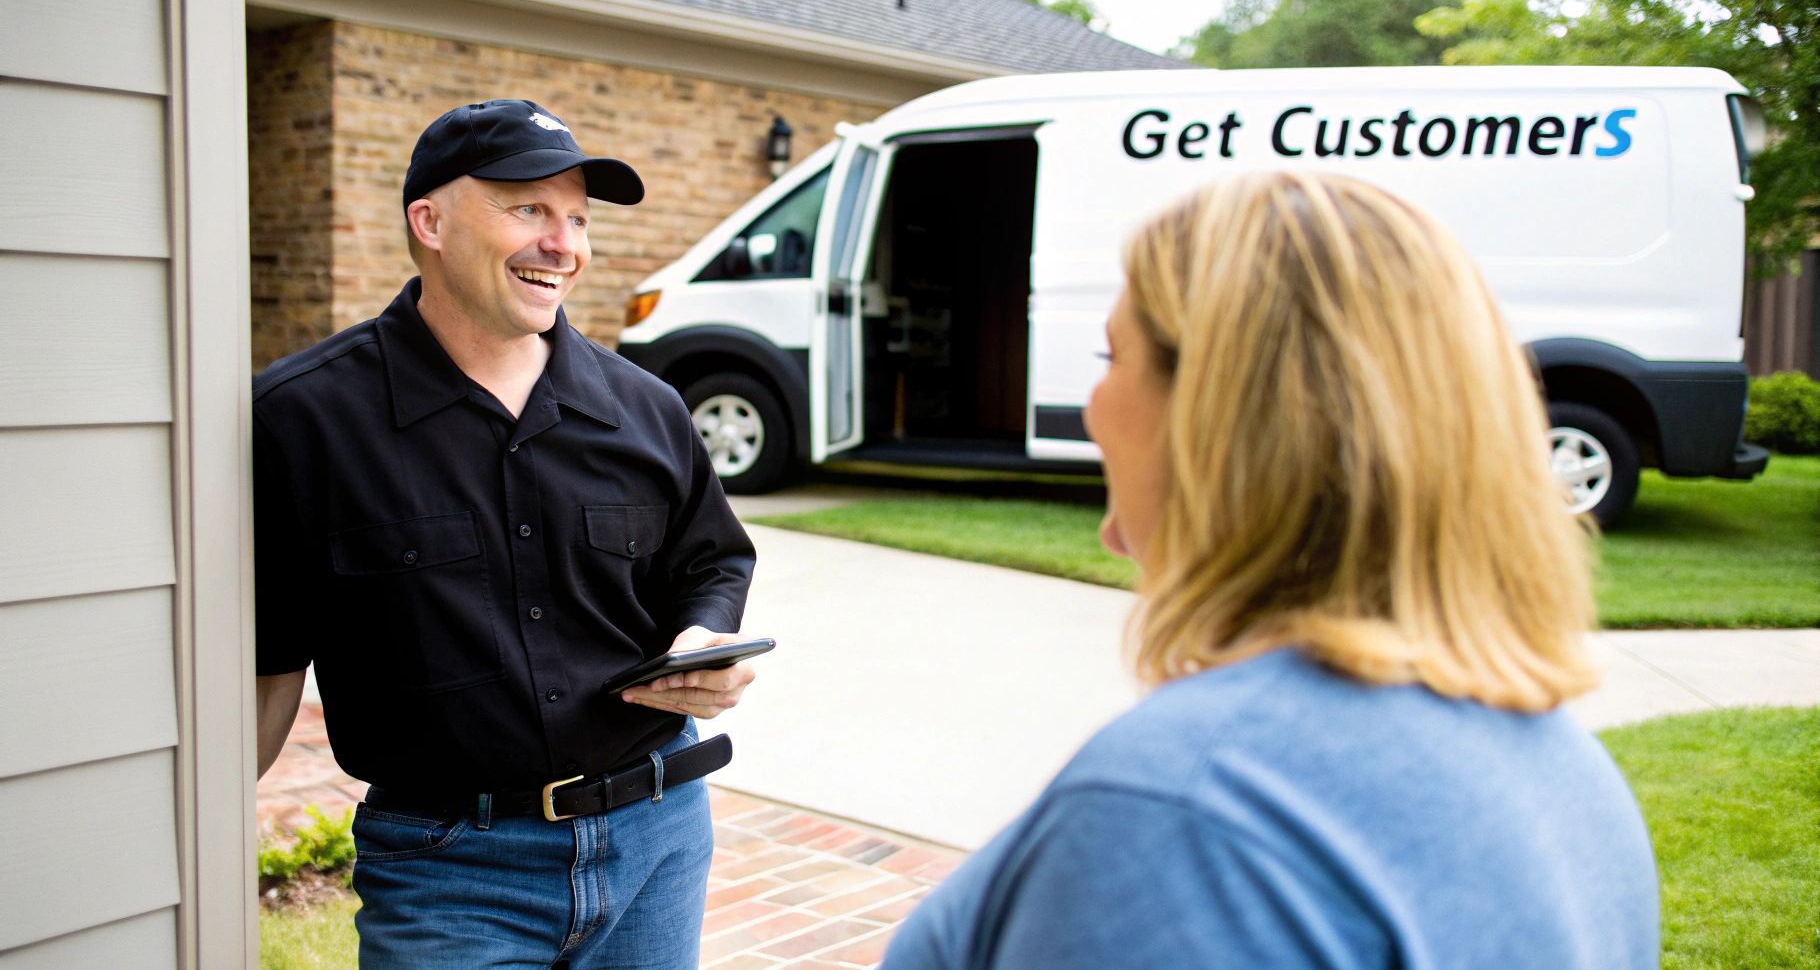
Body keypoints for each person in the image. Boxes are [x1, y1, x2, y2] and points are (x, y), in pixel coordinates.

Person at [880, 171, 1659, 969]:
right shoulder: (1565, 768)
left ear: (1221, 414)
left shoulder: (1191, 812)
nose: (1091, 406)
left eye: (1113, 355)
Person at [253, 98, 761, 969]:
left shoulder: (646, 408)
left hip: (659, 842)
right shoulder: (304, 421)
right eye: (528, 208)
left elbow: (711, 558)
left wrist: (704, 636)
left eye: (576, 218)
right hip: (451, 870)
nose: (562, 243)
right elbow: (266, 660)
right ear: (431, 220)